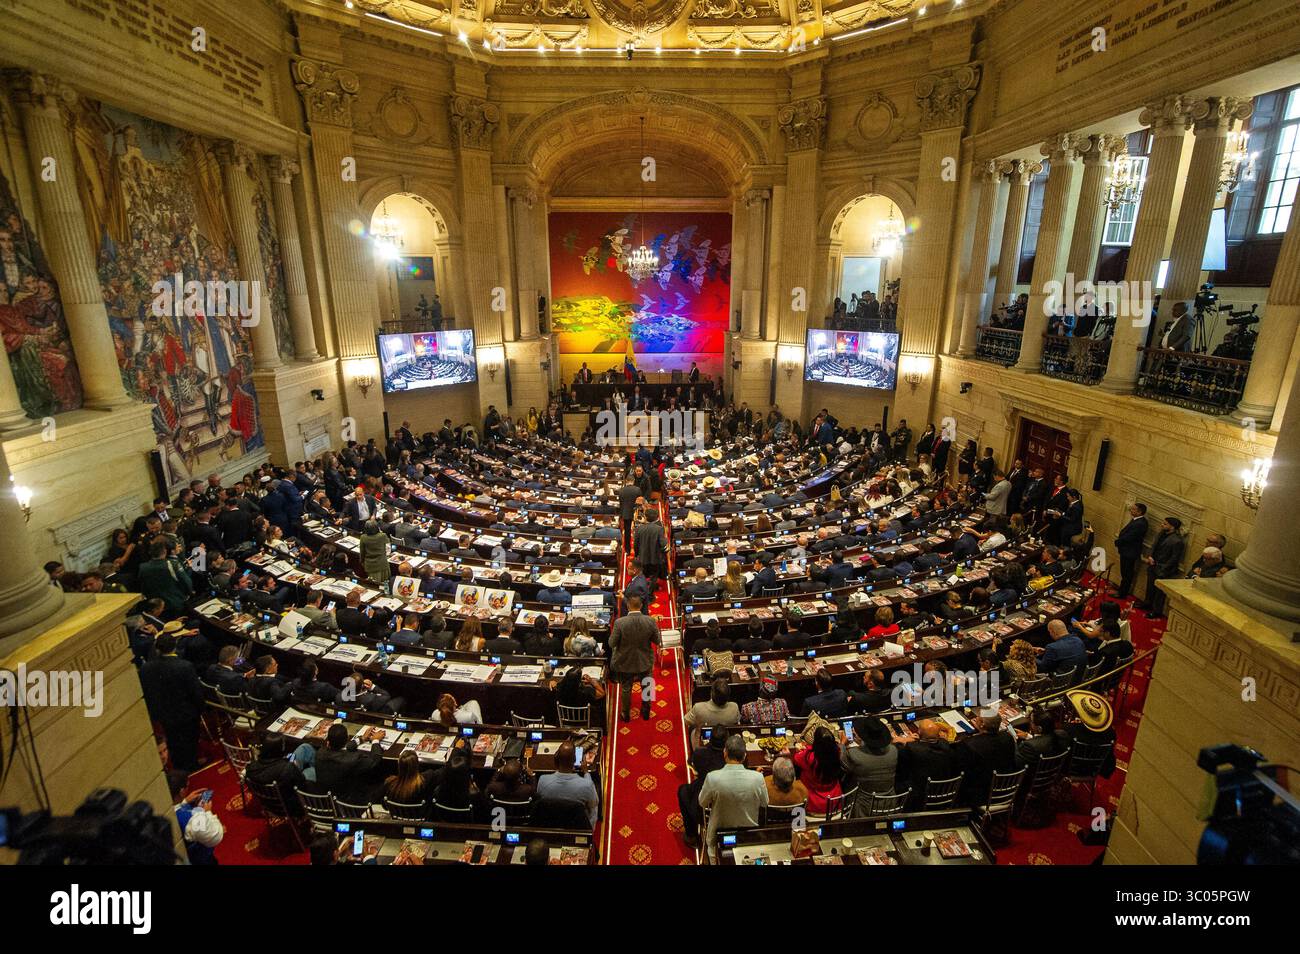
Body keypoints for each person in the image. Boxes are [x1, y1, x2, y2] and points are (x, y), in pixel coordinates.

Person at [138, 633, 204, 772]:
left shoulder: (146, 668)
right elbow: (195, 692)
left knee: (172, 739)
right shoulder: (184, 666)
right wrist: (200, 708)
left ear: (157, 649)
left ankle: (177, 764)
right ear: (175, 647)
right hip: (185, 712)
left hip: (161, 712)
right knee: (189, 740)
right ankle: (191, 766)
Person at [698, 734, 768, 852]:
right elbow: (765, 803)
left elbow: (702, 802)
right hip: (748, 835)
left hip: (718, 834)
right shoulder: (758, 778)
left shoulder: (713, 778)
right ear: (745, 756)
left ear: (725, 753)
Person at [610, 595, 661, 721]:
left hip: (625, 662)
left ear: (627, 606)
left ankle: (625, 714)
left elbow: (611, 643)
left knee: (626, 688)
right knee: (647, 685)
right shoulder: (650, 621)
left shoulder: (619, 623)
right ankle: (646, 712)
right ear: (642, 606)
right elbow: (657, 640)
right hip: (645, 660)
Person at [956, 708, 1018, 807]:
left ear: (982, 724)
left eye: (978, 718)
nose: (975, 719)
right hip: (1004, 786)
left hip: (980, 794)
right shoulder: (1007, 737)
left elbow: (961, 771)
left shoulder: (969, 745)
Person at [313, 723, 385, 805]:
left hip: (326, 797)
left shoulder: (319, 753)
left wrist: (362, 739)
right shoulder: (351, 760)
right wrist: (376, 740)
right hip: (349, 800)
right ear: (347, 739)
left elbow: (343, 747)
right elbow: (374, 760)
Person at [840, 717, 898, 814]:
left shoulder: (853, 754)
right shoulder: (893, 750)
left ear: (862, 737)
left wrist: (842, 744)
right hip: (889, 802)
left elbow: (843, 764)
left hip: (864, 804)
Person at [896, 719, 958, 810]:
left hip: (918, 794)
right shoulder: (945, 745)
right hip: (942, 790)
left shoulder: (912, 748)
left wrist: (904, 741)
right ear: (939, 734)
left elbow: (901, 766)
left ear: (919, 732)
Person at [535, 740, 599, 826]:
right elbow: (594, 803)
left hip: (551, 824)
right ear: (575, 760)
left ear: (556, 758)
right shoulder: (587, 785)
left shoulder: (542, 781)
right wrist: (586, 773)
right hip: (577, 827)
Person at [792, 726, 844, 816]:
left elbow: (796, 758)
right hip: (835, 804)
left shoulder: (808, 757)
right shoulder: (837, 753)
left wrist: (800, 749)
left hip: (812, 806)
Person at [1140, 516, 1184, 619]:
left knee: (1159, 593)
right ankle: (1147, 603)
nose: (1162, 525)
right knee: (1150, 587)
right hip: (1153, 565)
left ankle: (1156, 611)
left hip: (1163, 569)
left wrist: (1163, 567)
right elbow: (1154, 546)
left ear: (1172, 527)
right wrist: (1150, 556)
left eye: (1165, 524)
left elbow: (1174, 558)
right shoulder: (1161, 534)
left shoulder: (1177, 541)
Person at [685, 677, 741, 748]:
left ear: (711, 693)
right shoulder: (734, 707)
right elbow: (737, 721)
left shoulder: (698, 707)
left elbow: (686, 721)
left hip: (701, 745)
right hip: (725, 744)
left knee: (692, 727)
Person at [174, 786, 225, 865]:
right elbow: (216, 836)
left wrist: (185, 802)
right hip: (200, 860)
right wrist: (207, 812)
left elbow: (177, 808)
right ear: (182, 791)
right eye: (187, 786)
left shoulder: (170, 811)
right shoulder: (194, 820)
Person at [1113, 502, 1149, 599]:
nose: (1130, 510)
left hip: (1130, 552)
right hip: (1126, 550)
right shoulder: (1136, 520)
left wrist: (1118, 542)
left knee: (1127, 573)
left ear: (1139, 512)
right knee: (1124, 572)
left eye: (1133, 509)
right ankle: (1121, 589)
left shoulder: (1141, 523)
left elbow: (1130, 537)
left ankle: (1122, 593)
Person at [359, 519, 390, 584]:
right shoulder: (383, 535)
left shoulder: (363, 537)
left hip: (370, 565)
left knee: (374, 585)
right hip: (382, 563)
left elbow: (362, 552)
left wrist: (362, 562)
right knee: (385, 584)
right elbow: (388, 548)